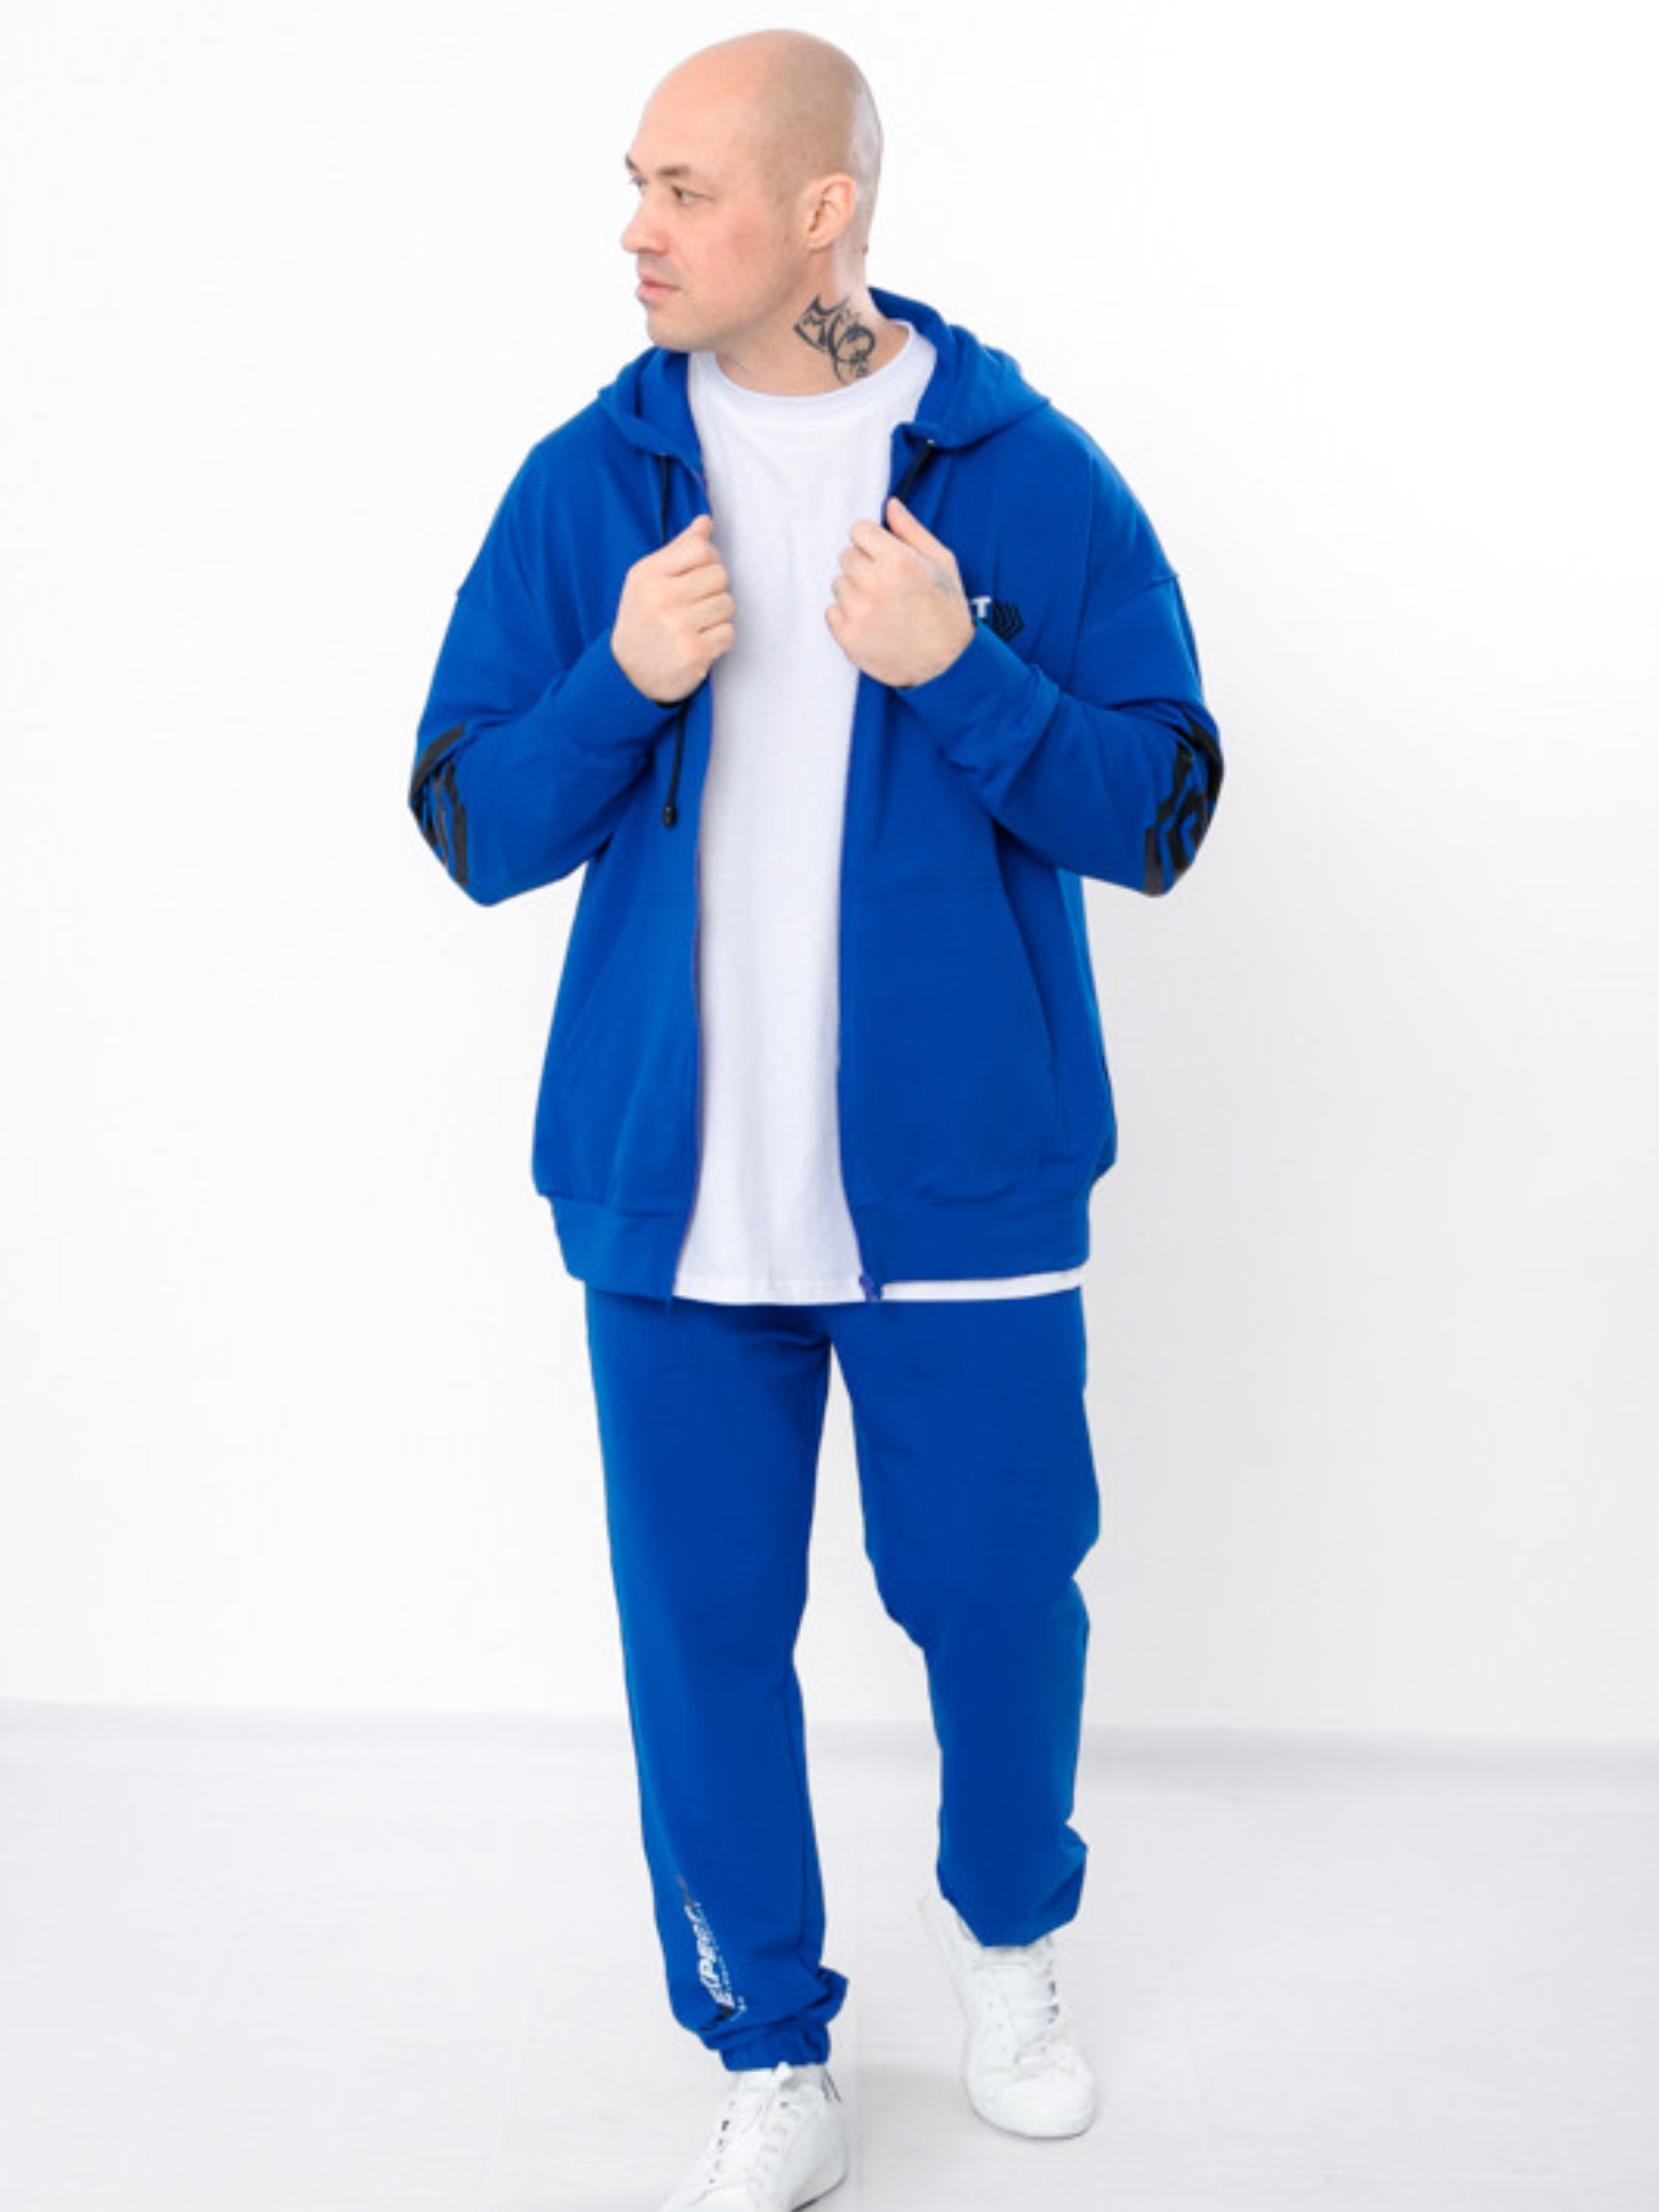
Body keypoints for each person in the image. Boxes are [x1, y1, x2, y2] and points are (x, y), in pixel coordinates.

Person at [408, 28, 1222, 2211]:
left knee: (998, 1603)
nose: (636, 231)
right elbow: (470, 819)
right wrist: (619, 682)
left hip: (963, 1188)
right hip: (669, 1198)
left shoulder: (1024, 472)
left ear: (822, 213)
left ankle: (1010, 1951)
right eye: (635, 184)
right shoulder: (588, 482)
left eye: (683, 190)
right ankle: (769, 2045)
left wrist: (962, 666)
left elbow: (1159, 805)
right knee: (700, 1641)